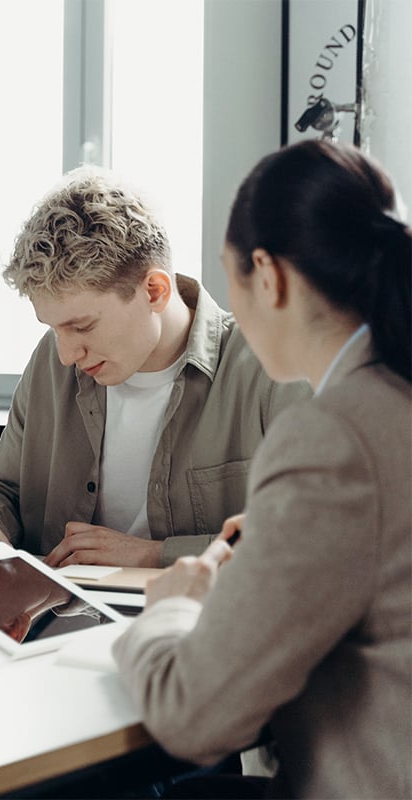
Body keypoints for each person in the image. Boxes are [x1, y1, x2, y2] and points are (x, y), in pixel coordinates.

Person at [113, 140, 411, 798]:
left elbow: (194, 715)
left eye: (230, 280)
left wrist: (170, 610)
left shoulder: (331, 435)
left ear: (268, 275)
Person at [0, 167, 308, 567]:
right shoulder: (52, 358)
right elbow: (3, 489)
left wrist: (154, 555)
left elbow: (314, 533)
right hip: (58, 622)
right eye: (54, 329)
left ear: (155, 290)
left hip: (204, 622)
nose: (66, 355)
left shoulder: (269, 369)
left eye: (82, 326)